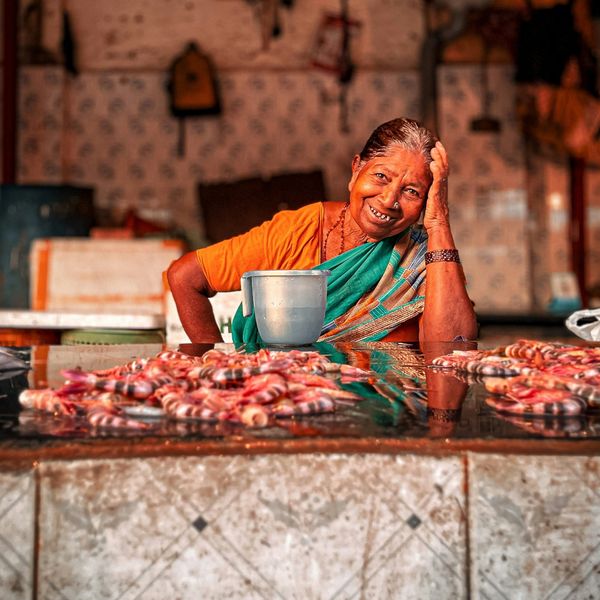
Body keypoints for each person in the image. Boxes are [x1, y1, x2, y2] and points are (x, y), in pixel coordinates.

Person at [167, 117, 477, 344]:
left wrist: (438, 222)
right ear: (356, 170)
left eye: (412, 192)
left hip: (388, 416)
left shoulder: (429, 257)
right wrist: (215, 365)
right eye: (381, 176)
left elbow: (452, 349)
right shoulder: (298, 230)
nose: (389, 200)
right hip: (287, 406)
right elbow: (185, 276)